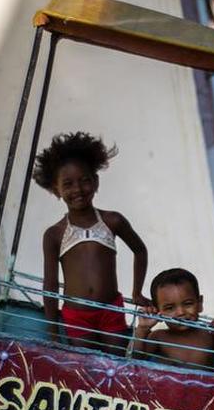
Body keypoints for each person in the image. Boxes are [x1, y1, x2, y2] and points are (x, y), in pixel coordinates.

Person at [35, 132, 149, 351]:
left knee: (116, 366)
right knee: (86, 370)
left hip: (111, 310)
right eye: (67, 184)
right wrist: (53, 333)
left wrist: (137, 292)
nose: (77, 189)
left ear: (96, 182)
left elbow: (140, 250)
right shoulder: (54, 234)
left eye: (85, 180)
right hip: (76, 316)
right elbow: (50, 284)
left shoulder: (112, 220)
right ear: (56, 190)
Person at [128, 268, 214, 370]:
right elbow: (132, 360)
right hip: (170, 392)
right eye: (170, 308)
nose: (181, 313)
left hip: (205, 392)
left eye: (187, 304)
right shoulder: (158, 337)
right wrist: (142, 329)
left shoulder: (210, 333)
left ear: (200, 303)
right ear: (157, 310)